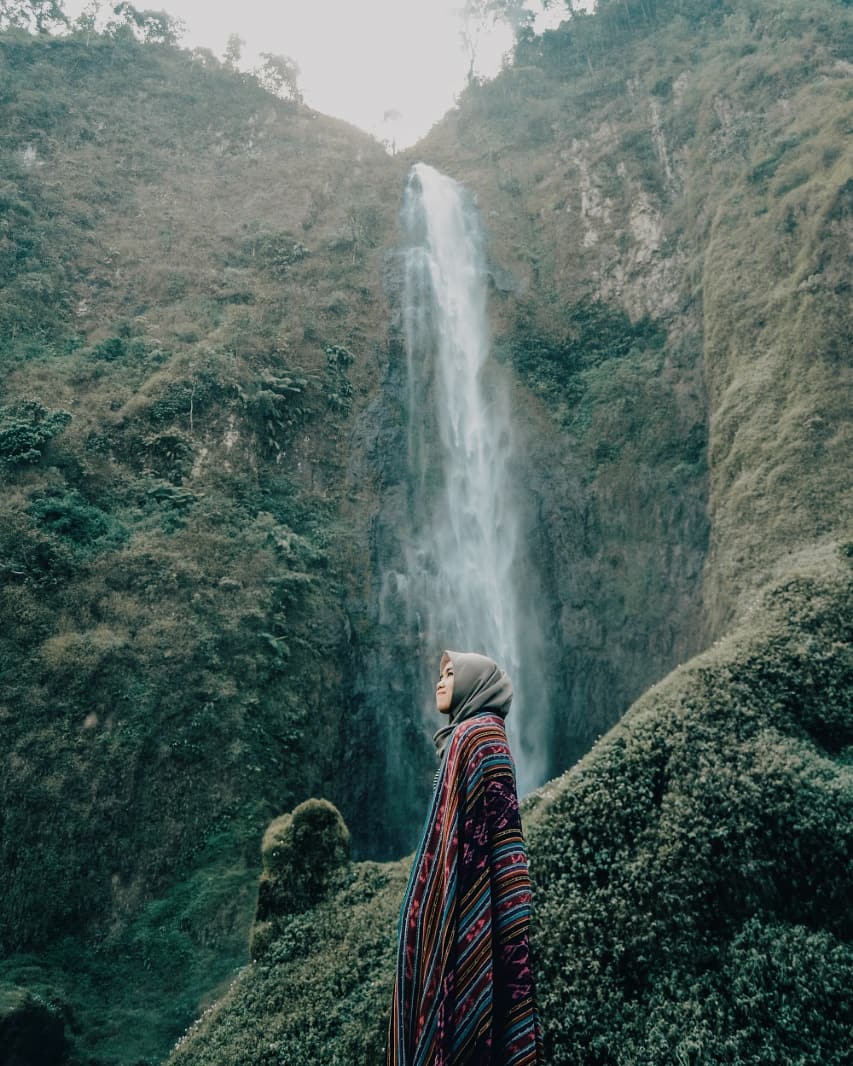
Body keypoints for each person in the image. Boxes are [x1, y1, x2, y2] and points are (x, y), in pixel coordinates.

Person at [387, 650, 543, 1065]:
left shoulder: (473, 737)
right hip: (478, 899)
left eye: (451, 674)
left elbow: (481, 836)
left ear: (474, 684)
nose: (440, 682)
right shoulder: (481, 736)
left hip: (468, 903)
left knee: (461, 1013)